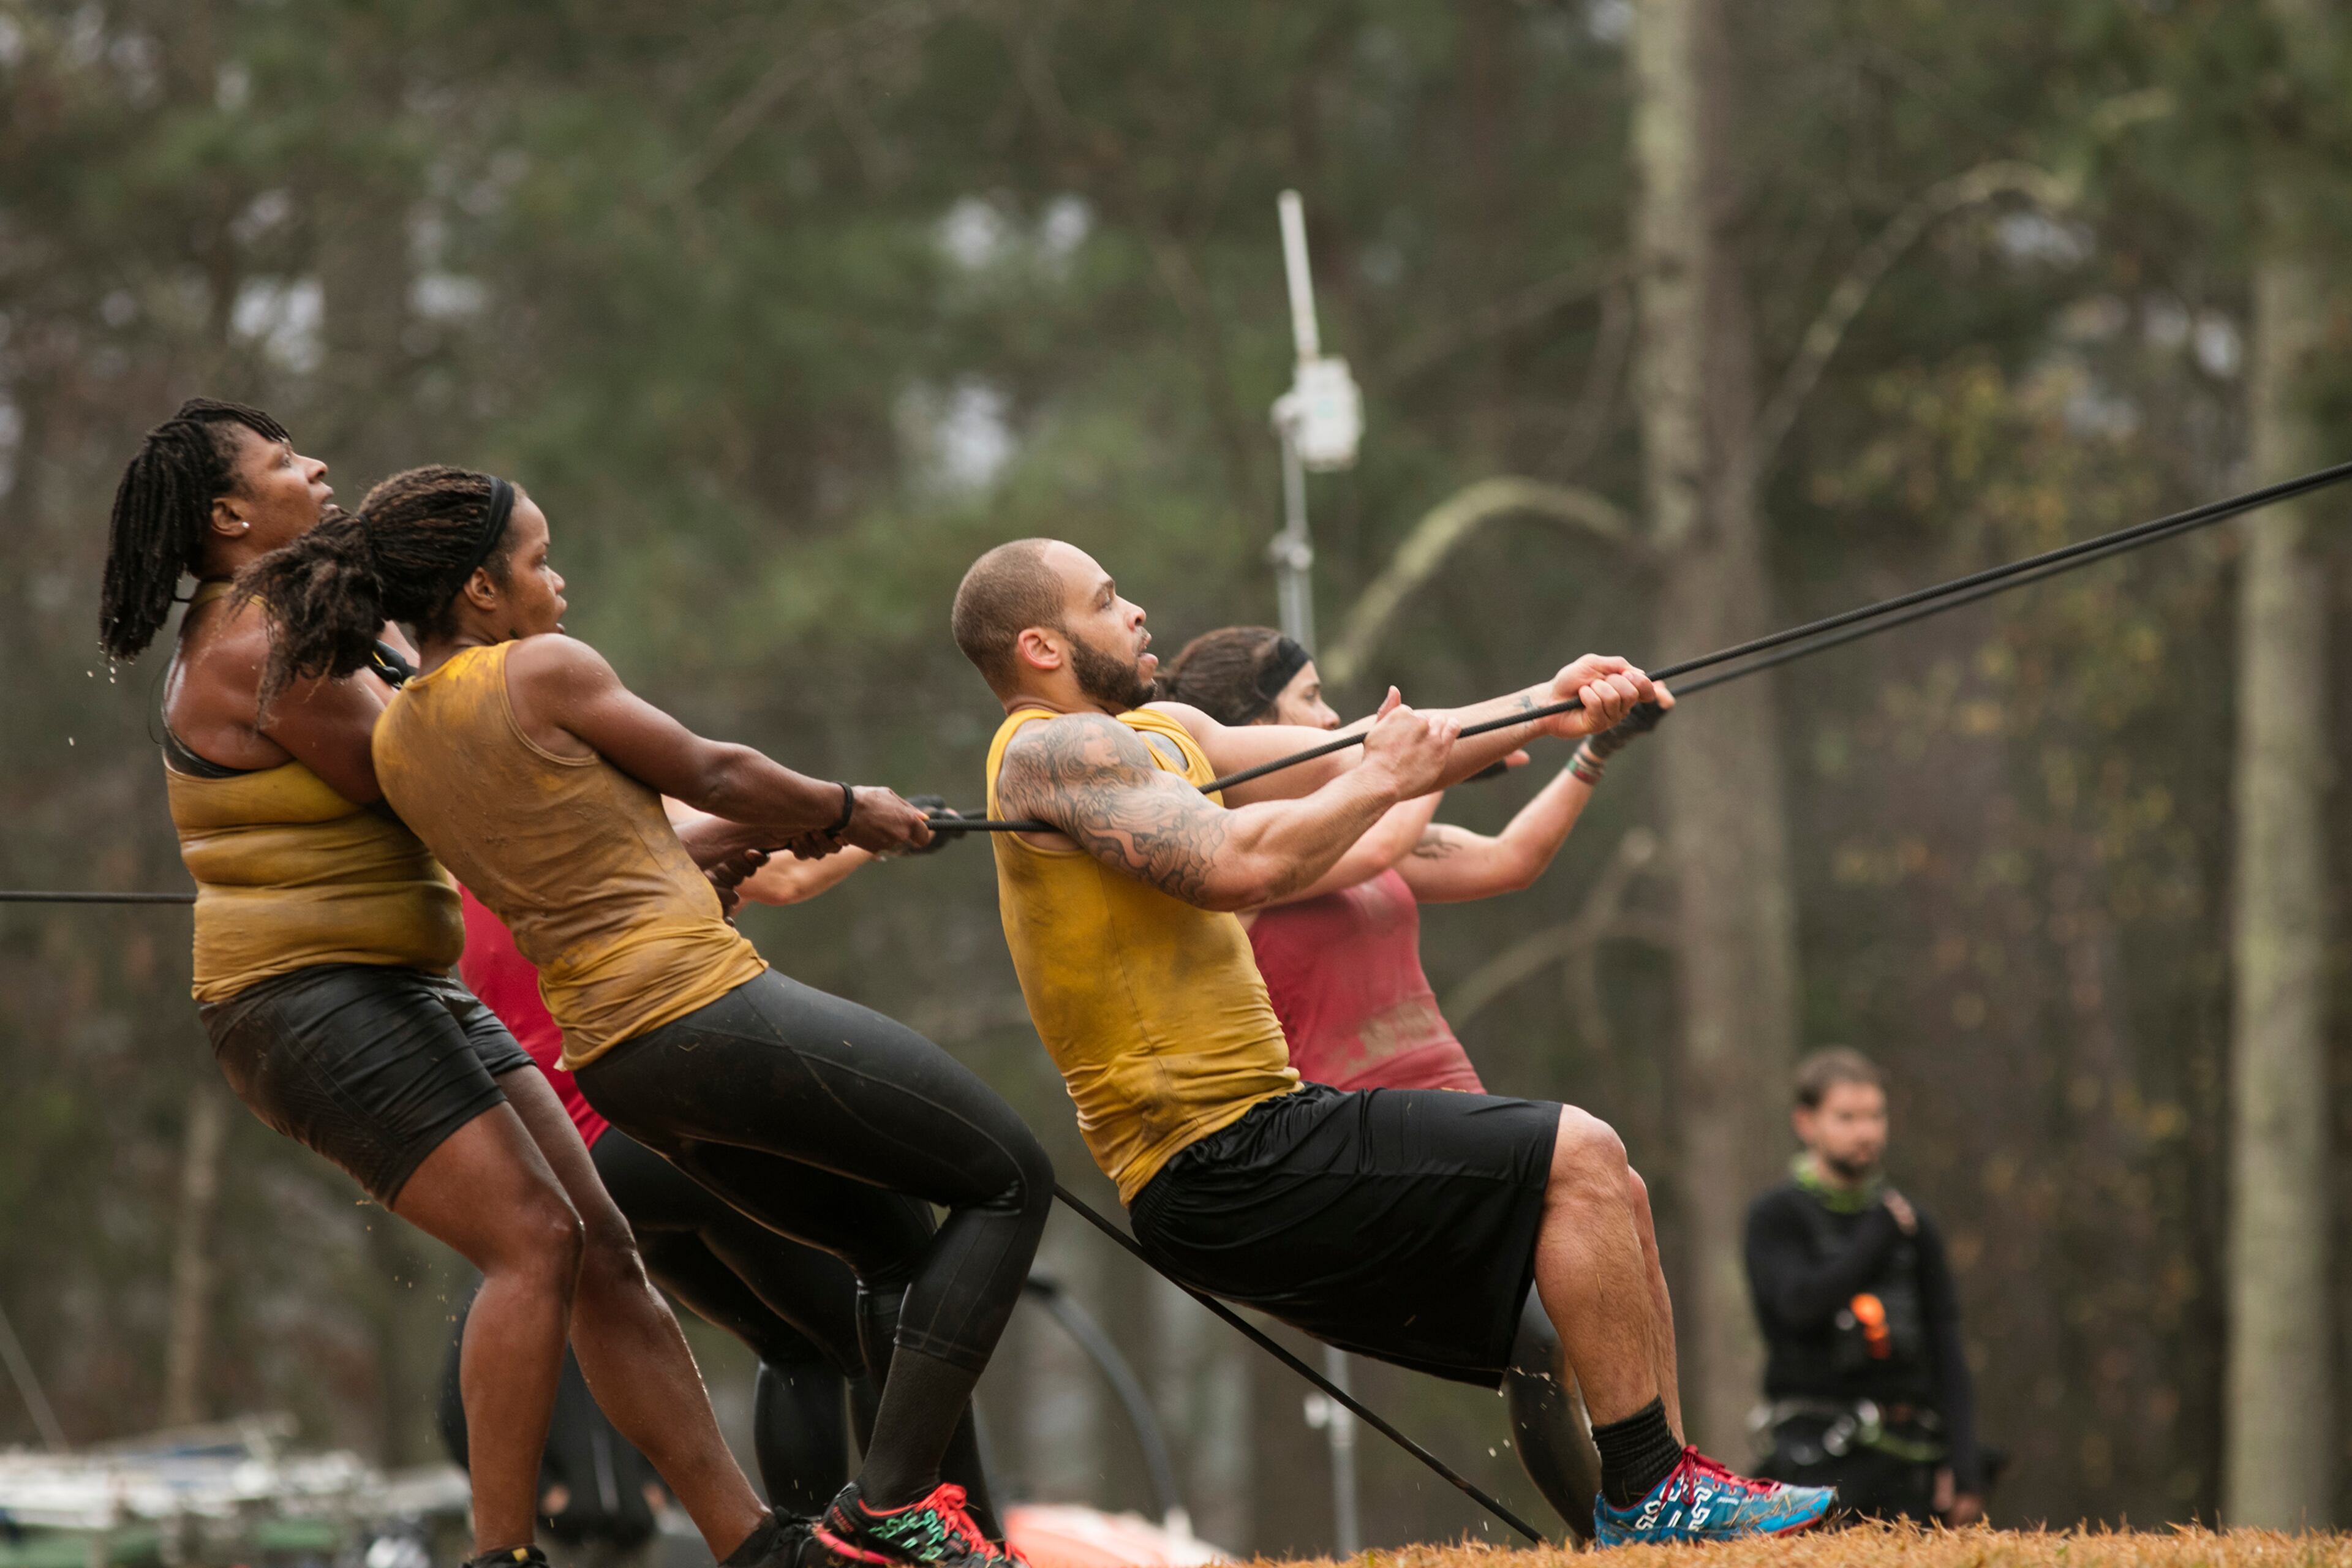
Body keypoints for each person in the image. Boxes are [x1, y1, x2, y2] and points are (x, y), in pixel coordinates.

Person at [239, 465, 1051, 1568]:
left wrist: (737, 848)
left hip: (620, 1068)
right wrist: (850, 808)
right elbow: (716, 769)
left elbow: (600, 856)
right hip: (697, 1010)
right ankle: (891, 1506)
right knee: (1010, 1179)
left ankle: (943, 1536)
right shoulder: (543, 669)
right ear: (481, 591)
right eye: (537, 561)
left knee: (890, 1248)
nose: (557, 582)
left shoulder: (398, 737)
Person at [949, 538, 1833, 1547]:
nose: (1137, 612)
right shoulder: (1051, 753)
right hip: (1213, 1159)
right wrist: (1389, 779)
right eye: (1107, 602)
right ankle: (1650, 1498)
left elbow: (1361, 747)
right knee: (1579, 1155)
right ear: (1042, 646)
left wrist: (1548, 705)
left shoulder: (1164, 732)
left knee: (1610, 1187)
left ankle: (1672, 1491)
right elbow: (1238, 866)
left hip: (1267, 1129)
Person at [98, 401, 806, 1568]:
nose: (317, 464)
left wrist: (709, 835)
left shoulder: (315, 626)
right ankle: (499, 1554)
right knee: (532, 1240)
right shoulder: (256, 648)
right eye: (283, 463)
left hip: (400, 986)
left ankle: (754, 1543)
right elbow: (456, 792)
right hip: (304, 1003)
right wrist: (706, 828)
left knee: (598, 1241)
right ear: (229, 516)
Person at [1157, 625, 1668, 1539]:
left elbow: (1510, 857)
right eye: (1310, 701)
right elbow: (1363, 846)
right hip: (1362, 1137)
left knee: (1620, 1202)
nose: (1328, 714)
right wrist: (1424, 769)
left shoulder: (1377, 836)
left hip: (1454, 1115)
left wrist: (1590, 753)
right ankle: (1619, 1531)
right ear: (1253, 726)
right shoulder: (1238, 846)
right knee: (1536, 1339)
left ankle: (1677, 1483)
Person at [452, 817, 1001, 1531]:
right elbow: (785, 874)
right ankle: (934, 1543)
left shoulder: (455, 854)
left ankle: (805, 1552)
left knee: (793, 1345)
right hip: (652, 1121)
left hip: (580, 1167)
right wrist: (890, 828)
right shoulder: (586, 798)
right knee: (883, 1328)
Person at [1744, 1048, 1983, 1524]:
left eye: (1875, 1116)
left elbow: (1946, 1345)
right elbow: (1796, 1308)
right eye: (1847, 1117)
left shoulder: (1915, 1228)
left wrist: (1964, 1466)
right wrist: (1874, 1239)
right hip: (1812, 1460)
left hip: (1909, 1462)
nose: (1866, 1132)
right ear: (1806, 1122)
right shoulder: (1776, 1219)